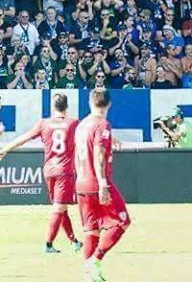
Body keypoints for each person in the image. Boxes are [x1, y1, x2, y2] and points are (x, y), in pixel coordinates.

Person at [0, 93, 82, 253]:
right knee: (58, 207)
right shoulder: (74, 123)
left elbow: (25, 137)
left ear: (53, 107)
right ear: (67, 107)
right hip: (64, 171)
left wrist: (5, 149)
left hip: (49, 171)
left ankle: (74, 241)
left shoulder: (44, 123)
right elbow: (90, 135)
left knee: (61, 208)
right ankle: (48, 245)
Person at [75, 89, 131, 282]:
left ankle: (89, 275)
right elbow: (98, 156)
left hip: (81, 183)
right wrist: (102, 184)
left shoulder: (82, 125)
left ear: (90, 102)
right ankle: (95, 260)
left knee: (92, 230)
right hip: (96, 182)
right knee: (122, 222)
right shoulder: (102, 124)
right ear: (109, 104)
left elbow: (79, 154)